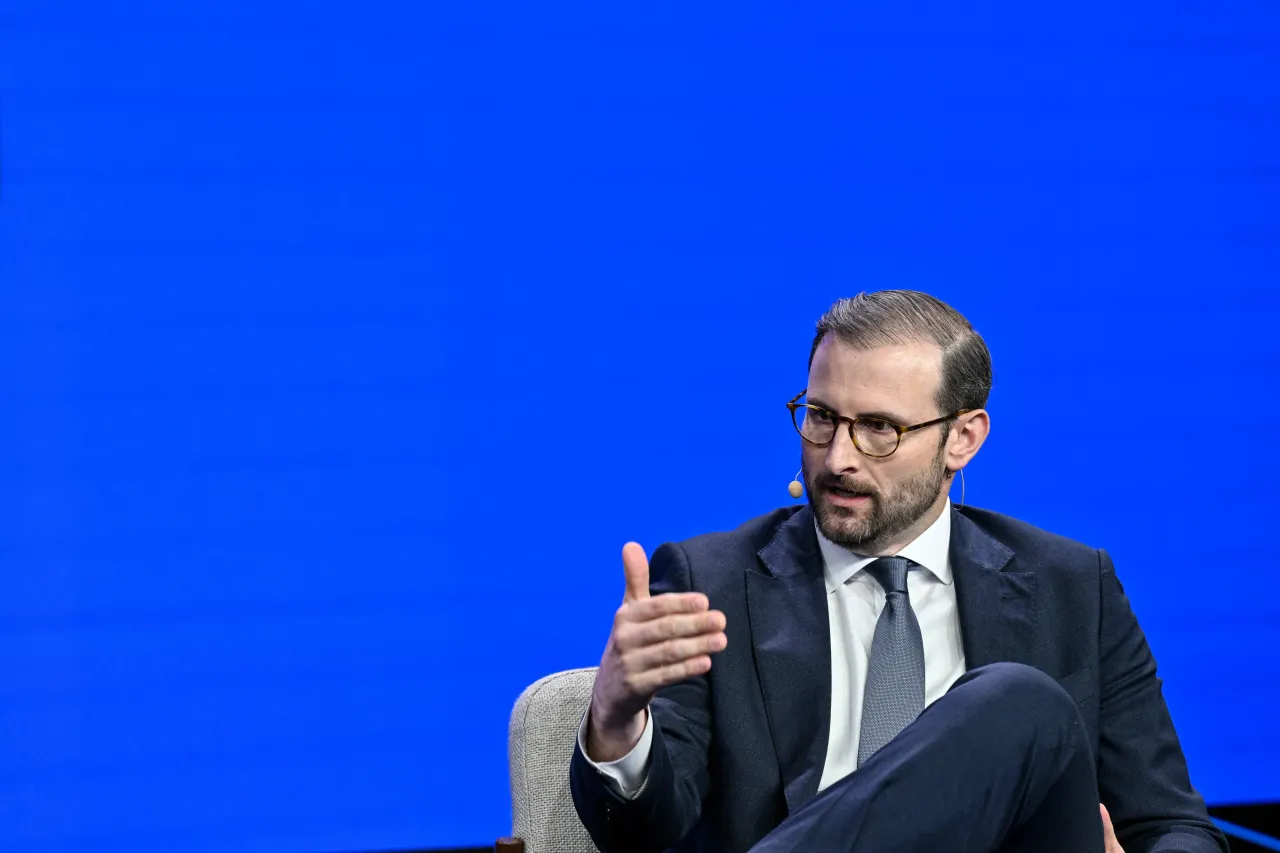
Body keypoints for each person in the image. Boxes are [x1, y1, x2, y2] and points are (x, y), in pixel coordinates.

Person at [569, 291, 1227, 853]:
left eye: (879, 428)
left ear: (963, 438)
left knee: (1021, 701)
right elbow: (644, 831)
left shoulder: (1073, 586)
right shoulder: (711, 582)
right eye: (821, 418)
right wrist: (617, 719)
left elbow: (1172, 824)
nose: (839, 458)